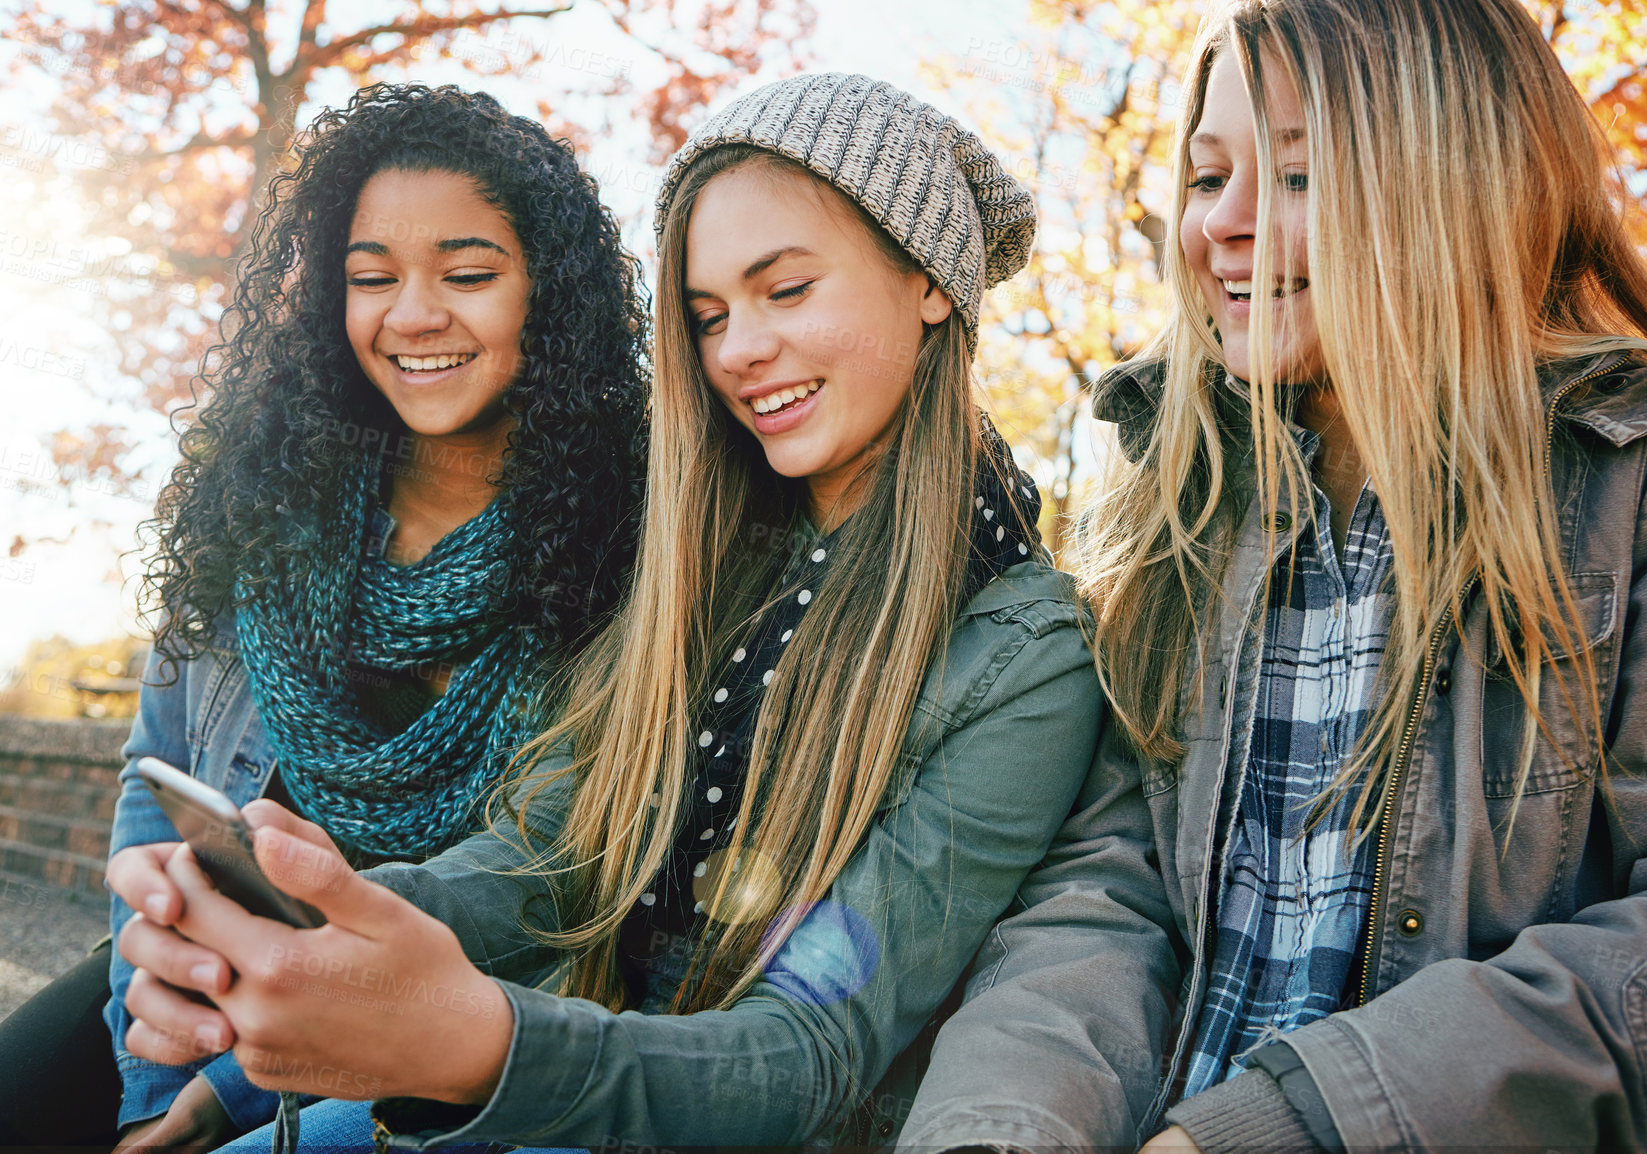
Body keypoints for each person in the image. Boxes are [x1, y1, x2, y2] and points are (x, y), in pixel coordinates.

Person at [107, 72, 1107, 1150]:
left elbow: (813, 1050)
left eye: (786, 291)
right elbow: (547, 857)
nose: (738, 351)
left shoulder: (1024, 656)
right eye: (708, 315)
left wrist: (479, 1041)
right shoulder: (693, 561)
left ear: (928, 282)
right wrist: (325, 926)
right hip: (530, 1088)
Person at [899, 0, 1647, 1150]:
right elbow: (1104, 889)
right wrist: (998, 1127)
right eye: (1206, 177)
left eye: (1298, 176)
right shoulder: (1175, 499)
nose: (1221, 226)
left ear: (1454, 183)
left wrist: (1277, 1125)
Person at [0, 84, 649, 1150]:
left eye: (469, 274)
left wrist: (230, 1100)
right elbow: (155, 785)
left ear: (552, 296)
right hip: (204, 970)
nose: (413, 313)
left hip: (432, 1016)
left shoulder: (631, 546)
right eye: (371, 278)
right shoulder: (263, 503)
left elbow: (550, 889)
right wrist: (153, 1076)